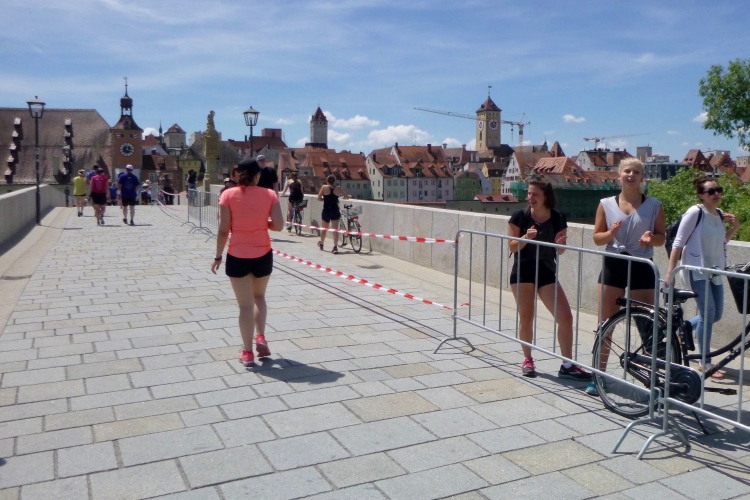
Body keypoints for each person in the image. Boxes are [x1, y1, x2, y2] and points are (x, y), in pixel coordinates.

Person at [589, 157, 666, 394]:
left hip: (642, 266)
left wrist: (650, 238)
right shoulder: (605, 204)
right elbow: (597, 238)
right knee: (606, 323)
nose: (631, 175)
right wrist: (610, 234)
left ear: (642, 177)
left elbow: (661, 238)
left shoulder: (655, 205)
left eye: (636, 172)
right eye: (627, 171)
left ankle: (653, 380)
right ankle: (598, 376)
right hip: (614, 265)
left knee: (647, 326)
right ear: (619, 175)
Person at [508, 181, 591, 380]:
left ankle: (567, 365)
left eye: (535, 194)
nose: (530, 197)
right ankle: (527, 360)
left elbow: (560, 251)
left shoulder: (557, 217)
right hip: (523, 271)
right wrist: (525, 237)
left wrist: (560, 244)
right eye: (529, 193)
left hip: (546, 270)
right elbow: (511, 246)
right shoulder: (519, 216)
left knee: (565, 317)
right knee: (527, 318)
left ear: (546, 196)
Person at [212, 159, 284, 366]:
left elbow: (224, 229)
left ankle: (248, 352)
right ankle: (260, 337)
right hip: (263, 253)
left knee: (245, 305)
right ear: (257, 175)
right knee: (259, 297)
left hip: (238, 255)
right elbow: (279, 225)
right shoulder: (269, 194)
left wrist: (218, 256)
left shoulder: (227, 195)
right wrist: (262, 223)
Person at [667, 177, 739, 378]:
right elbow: (678, 243)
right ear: (701, 195)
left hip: (715, 270)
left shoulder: (719, 214)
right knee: (708, 314)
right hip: (696, 269)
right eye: (711, 191)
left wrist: (735, 227)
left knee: (716, 314)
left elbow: (720, 241)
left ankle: (683, 329)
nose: (716, 194)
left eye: (718, 190)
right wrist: (671, 272)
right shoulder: (695, 212)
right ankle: (704, 361)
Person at [317, 175, 350, 254]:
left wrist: (325, 199)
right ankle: (335, 247)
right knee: (335, 230)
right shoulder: (338, 188)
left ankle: (321, 244)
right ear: (334, 181)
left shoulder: (324, 187)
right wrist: (347, 196)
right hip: (335, 210)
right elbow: (346, 197)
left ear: (327, 181)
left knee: (324, 229)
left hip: (326, 210)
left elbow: (318, 198)